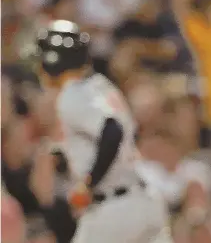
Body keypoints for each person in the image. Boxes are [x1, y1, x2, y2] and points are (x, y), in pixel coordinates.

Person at [34, 19, 173, 243]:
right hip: (143, 200)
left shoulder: (71, 94)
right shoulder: (101, 85)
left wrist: (88, 183)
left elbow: (112, 131)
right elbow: (121, 135)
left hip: (113, 211)